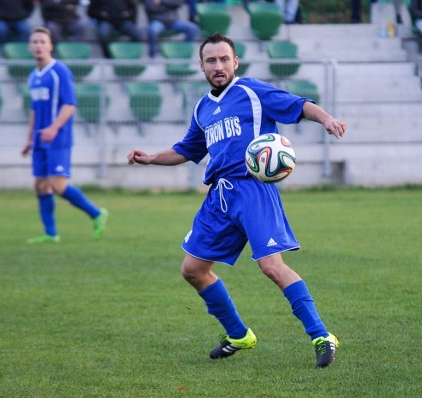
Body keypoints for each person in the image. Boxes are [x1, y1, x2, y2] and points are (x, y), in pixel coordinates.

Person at [126, 33, 346, 368]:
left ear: (235, 62)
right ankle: (239, 334)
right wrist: (151, 157)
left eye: (224, 59)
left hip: (254, 190)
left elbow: (298, 104)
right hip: (219, 196)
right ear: (201, 66)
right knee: (193, 270)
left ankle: (320, 335)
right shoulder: (202, 108)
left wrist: (326, 119)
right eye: (211, 61)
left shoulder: (252, 91)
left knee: (272, 266)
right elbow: (187, 150)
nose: (218, 66)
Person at [21, 26, 109, 244]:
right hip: (40, 140)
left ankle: (96, 213)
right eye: (35, 42)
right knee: (40, 185)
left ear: (50, 46)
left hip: (58, 138)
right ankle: (51, 233)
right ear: (29, 47)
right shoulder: (34, 76)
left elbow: (70, 104)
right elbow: (34, 110)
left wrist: (54, 128)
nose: (38, 45)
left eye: (42, 41)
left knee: (57, 185)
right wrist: (29, 138)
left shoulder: (60, 71)